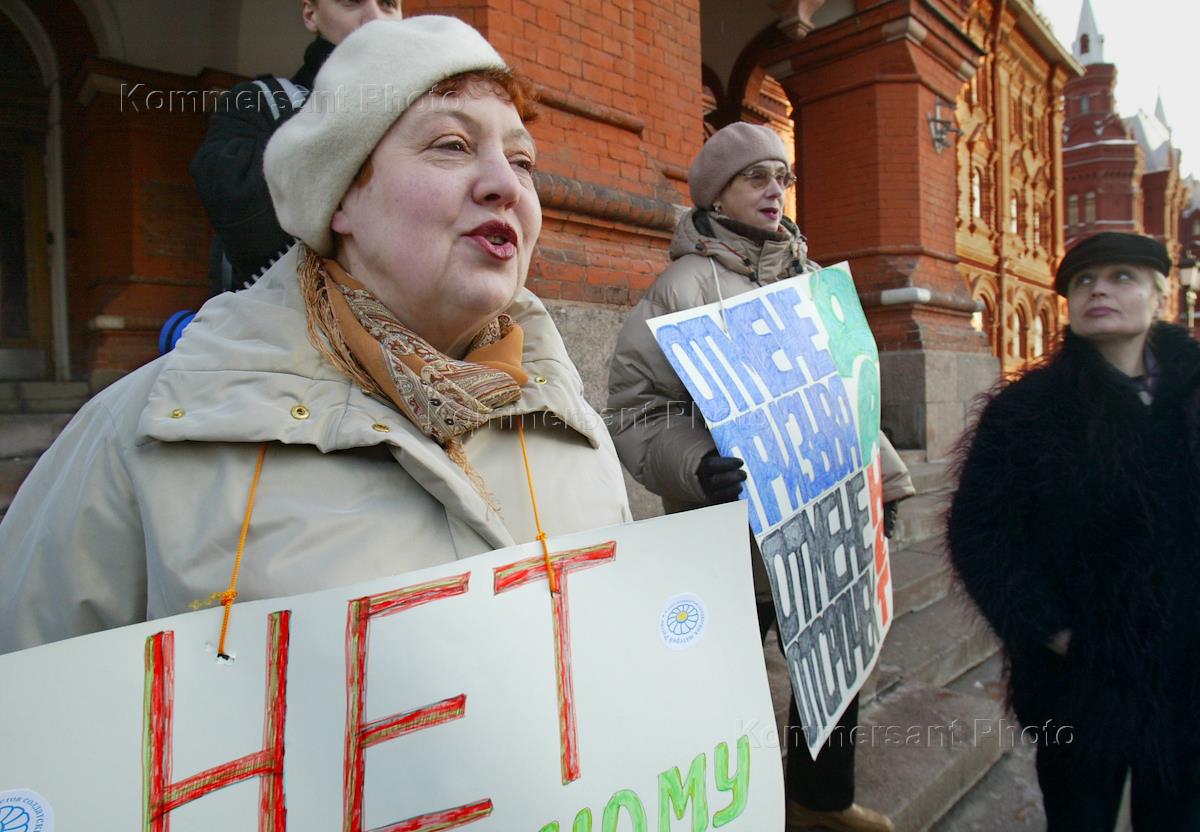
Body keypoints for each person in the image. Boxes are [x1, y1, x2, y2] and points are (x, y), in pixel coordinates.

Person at [0, 16, 631, 653]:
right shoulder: (142, 433)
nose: (506, 185)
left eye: (522, 161)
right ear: (340, 197)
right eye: (451, 145)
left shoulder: (572, 422)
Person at [607, 121, 913, 832]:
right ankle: (730, 810)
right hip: (733, 535)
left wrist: (887, 481)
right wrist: (694, 465)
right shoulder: (681, 288)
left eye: (782, 176)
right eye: (756, 177)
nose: (775, 190)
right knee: (727, 683)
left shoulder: (813, 280)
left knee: (834, 667)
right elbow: (635, 409)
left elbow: (847, 390)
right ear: (716, 194)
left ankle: (819, 801)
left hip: (825, 524)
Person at [947, 232, 1200, 829]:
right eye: (1084, 282)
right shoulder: (1028, 411)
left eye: (1121, 277)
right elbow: (979, 531)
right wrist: (1046, 627)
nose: (1098, 291)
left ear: (1160, 295)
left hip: (1189, 680)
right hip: (1079, 681)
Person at [190, 0, 403, 295]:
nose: (375, 18)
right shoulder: (258, 103)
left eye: (388, 4)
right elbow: (238, 217)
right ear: (310, 14)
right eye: (351, 2)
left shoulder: (429, 109)